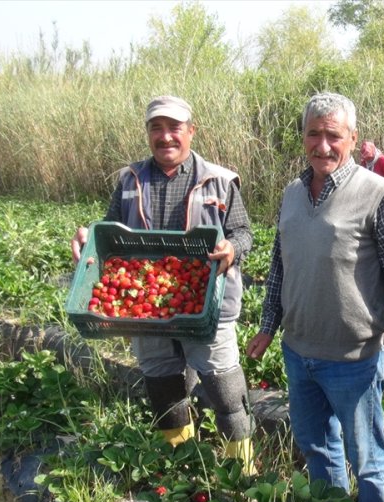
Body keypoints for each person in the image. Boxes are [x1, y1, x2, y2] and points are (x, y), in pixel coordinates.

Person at [246, 92, 384, 502]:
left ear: (352, 139)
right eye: (314, 134)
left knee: (366, 456)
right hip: (298, 351)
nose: (322, 145)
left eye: (333, 135)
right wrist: (268, 325)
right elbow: (281, 263)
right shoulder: (291, 193)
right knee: (316, 447)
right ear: (303, 137)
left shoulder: (375, 193)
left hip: (355, 358)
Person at [70, 95, 256, 472]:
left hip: (206, 300)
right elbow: (110, 229)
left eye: (174, 128)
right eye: (157, 128)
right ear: (148, 133)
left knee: (226, 391)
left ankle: (243, 474)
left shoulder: (219, 180)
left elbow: (244, 232)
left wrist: (231, 248)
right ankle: (180, 468)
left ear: (191, 131)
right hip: (148, 309)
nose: (166, 136)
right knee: (164, 387)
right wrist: (88, 238)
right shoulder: (129, 180)